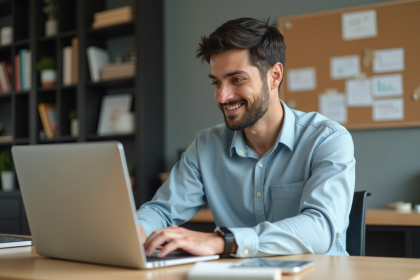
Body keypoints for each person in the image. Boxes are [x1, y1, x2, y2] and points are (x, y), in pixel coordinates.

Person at [136, 17, 355, 258]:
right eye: (216, 83)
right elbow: (162, 210)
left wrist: (223, 242)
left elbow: (320, 228)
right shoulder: (206, 146)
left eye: (236, 80)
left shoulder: (327, 139)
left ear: (274, 76)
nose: (222, 96)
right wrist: (137, 229)